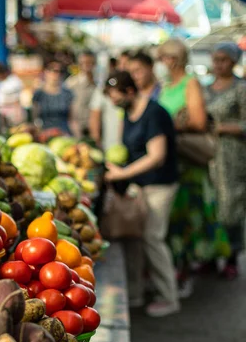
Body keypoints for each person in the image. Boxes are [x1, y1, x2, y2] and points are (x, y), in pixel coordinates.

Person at [158, 38, 230, 295]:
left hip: (189, 162)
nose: (162, 62)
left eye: (165, 57)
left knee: (188, 218)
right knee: (176, 220)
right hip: (173, 159)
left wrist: (172, 126)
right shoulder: (167, 85)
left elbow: (199, 122)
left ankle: (186, 272)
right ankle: (181, 270)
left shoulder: (191, 83)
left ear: (173, 59)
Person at [105, 71, 179, 317]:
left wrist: (123, 174)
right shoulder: (126, 112)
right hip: (140, 185)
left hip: (160, 185)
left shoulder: (154, 113)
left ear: (129, 91)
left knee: (152, 238)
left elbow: (157, 156)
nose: (113, 103)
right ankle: (135, 293)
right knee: (135, 238)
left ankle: (169, 297)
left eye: (116, 97)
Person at [204, 42, 246, 278]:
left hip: (233, 155)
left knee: (231, 206)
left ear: (233, 61)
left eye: (224, 59)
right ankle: (210, 253)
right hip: (207, 153)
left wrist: (226, 128)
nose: (219, 64)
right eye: (216, 59)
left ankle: (231, 255)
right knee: (211, 204)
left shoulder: (241, 88)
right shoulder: (206, 88)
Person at [65, 50, 100, 138]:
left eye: (89, 63)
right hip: (77, 129)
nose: (86, 66)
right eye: (83, 63)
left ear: (94, 63)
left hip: (96, 129)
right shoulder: (71, 83)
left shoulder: (99, 84)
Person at [32, 60, 73, 133]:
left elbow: (72, 119)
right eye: (54, 70)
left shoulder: (67, 93)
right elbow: (35, 118)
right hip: (45, 133)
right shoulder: (39, 94)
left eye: (61, 71)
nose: (57, 74)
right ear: (46, 72)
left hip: (64, 132)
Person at [0, 63, 24, 128]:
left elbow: (17, 99)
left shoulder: (13, 81)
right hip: (2, 115)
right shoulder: (1, 82)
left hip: (13, 115)